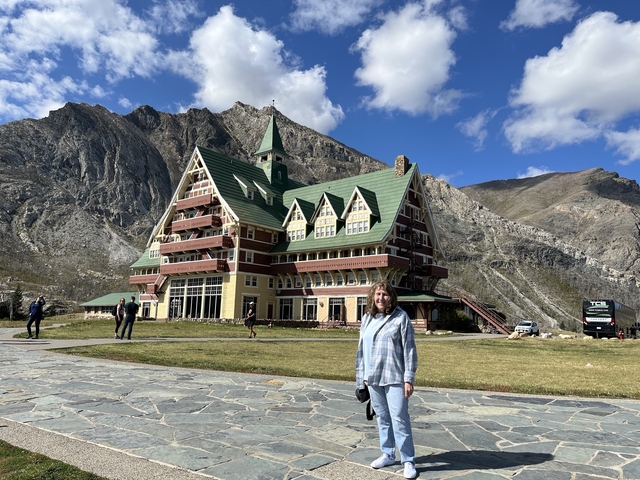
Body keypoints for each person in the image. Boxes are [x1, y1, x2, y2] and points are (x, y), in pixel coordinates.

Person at [355, 279, 418, 479]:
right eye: (378, 294)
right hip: (372, 378)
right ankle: (388, 453)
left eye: (385, 294)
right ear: (372, 297)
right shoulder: (367, 318)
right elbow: (361, 351)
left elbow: (409, 350)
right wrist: (361, 378)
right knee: (382, 417)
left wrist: (408, 379)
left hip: (394, 377)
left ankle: (408, 460)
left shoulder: (400, 318)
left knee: (400, 418)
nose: (381, 298)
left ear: (391, 297)